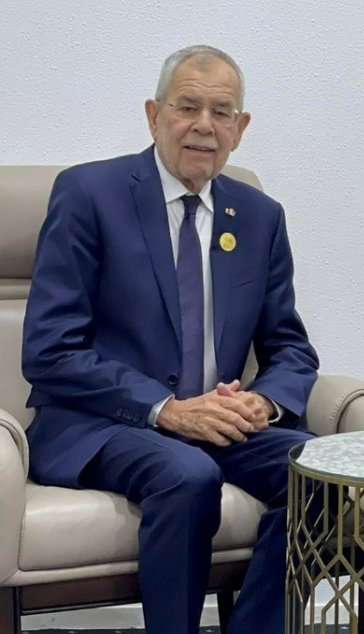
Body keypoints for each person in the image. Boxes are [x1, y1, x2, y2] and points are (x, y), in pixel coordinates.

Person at [22, 45, 319, 634]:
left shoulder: (260, 216)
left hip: (217, 425)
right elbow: (50, 349)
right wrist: (166, 410)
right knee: (187, 473)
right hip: (101, 423)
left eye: (221, 112)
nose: (204, 126)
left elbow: (290, 347)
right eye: (187, 107)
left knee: (323, 473)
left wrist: (263, 402)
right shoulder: (89, 194)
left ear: (240, 128)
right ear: (154, 115)